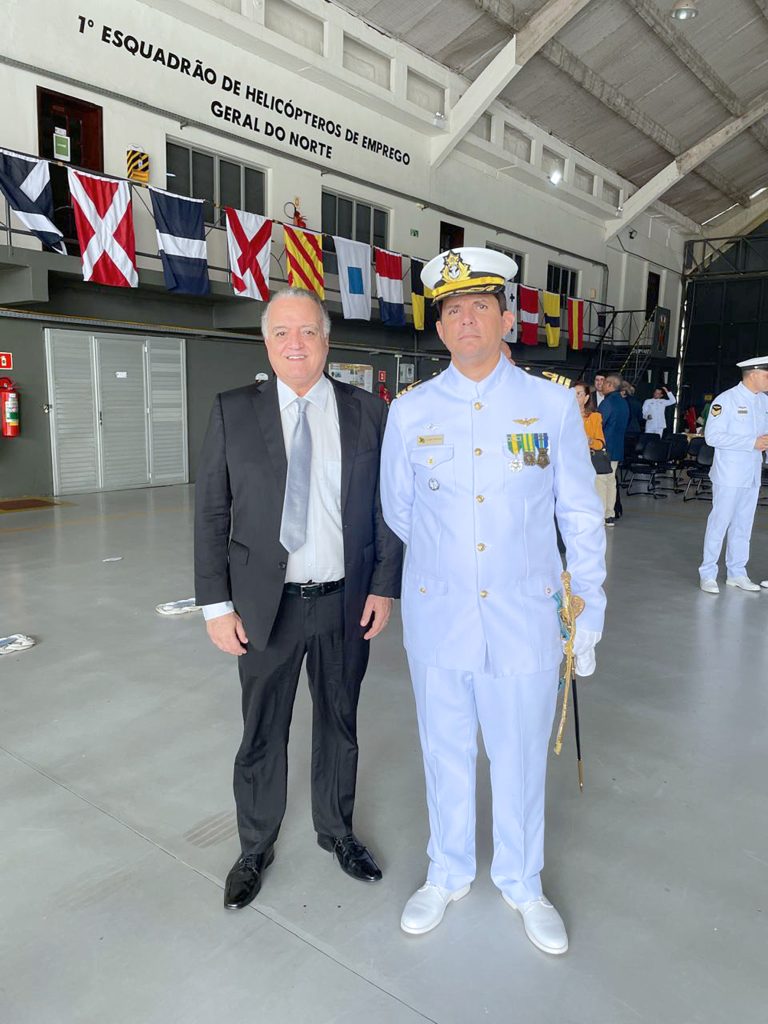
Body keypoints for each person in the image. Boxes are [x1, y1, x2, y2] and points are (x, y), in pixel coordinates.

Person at [380, 248, 606, 955]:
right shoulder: (410, 412)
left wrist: (589, 609)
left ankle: (521, 881)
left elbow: (579, 513)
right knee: (443, 750)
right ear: (439, 327)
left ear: (508, 318)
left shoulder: (550, 405)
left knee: (519, 757)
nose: (467, 319)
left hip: (525, 618)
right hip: (440, 616)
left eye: (481, 305)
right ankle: (446, 873)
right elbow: (400, 511)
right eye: (453, 309)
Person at [194, 287, 403, 909]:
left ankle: (337, 831)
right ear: (266, 342)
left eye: (308, 331)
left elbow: (388, 508)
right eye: (282, 332)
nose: (295, 343)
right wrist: (215, 604)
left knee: (340, 721)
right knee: (262, 729)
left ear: (326, 342)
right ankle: (254, 847)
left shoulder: (368, 412)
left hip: (345, 601)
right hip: (266, 607)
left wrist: (383, 586)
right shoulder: (234, 410)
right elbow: (211, 512)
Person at [698, 356, 768, 594]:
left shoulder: (763, 401)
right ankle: (708, 573)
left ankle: (737, 572)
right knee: (719, 523)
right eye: (767, 375)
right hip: (729, 474)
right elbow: (712, 437)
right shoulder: (725, 400)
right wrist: (751, 442)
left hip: (752, 473)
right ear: (753, 374)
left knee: (743, 525)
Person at [574, 381, 613, 526]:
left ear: (586, 398)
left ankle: (599, 518)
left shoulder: (594, 417)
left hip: (590, 460)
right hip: (571, 463)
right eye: (572, 394)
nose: (575, 397)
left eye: (579, 394)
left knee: (597, 491)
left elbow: (600, 443)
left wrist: (589, 441)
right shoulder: (563, 417)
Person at [597, 372, 629, 526]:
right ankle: (610, 514)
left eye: (604, 383)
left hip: (604, 448)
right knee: (611, 481)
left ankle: (601, 514)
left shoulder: (607, 403)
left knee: (601, 482)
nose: (601, 386)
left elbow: (598, 425)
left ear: (610, 385)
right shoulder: (623, 403)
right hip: (617, 448)